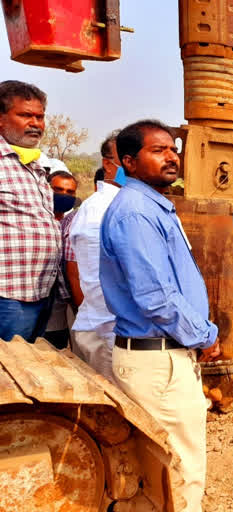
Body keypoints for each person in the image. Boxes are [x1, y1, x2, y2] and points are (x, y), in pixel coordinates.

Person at [100, 120, 220, 511]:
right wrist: (204, 335)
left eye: (173, 149)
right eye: (158, 150)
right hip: (158, 360)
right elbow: (155, 298)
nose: (171, 157)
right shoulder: (136, 213)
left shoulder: (152, 206)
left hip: (162, 354)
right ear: (129, 163)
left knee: (158, 471)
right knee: (180, 469)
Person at [0, 80, 60, 342]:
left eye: (40, 116)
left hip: (40, 295)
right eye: (25, 115)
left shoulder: (35, 165)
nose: (36, 123)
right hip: (7, 296)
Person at [69, 133, 122, 381]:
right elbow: (96, 282)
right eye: (127, 158)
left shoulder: (125, 204)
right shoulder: (100, 210)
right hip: (108, 331)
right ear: (108, 164)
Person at [44, 167, 79, 349]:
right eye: (58, 190)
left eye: (70, 192)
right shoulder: (35, 222)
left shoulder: (70, 223)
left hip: (58, 316)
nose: (64, 195)